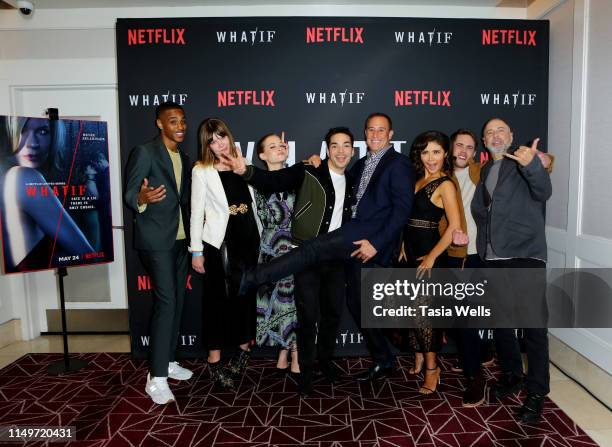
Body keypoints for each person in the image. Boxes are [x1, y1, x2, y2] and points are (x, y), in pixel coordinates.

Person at [233, 113, 415, 383]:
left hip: (367, 238)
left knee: (313, 250)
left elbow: (402, 211)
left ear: (390, 134)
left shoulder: (398, 164)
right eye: (371, 130)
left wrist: (377, 244)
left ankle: (253, 276)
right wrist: (249, 171)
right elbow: (286, 180)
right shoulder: (361, 165)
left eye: (382, 130)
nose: (375, 135)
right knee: (356, 304)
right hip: (351, 245)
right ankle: (382, 358)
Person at [227, 127, 355, 396]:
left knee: (332, 315)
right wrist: (245, 171)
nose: (341, 151)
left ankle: (325, 361)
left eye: (346, 146)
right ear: (327, 150)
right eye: (335, 145)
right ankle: (305, 372)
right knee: (307, 318)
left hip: (337, 258)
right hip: (306, 256)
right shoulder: (309, 171)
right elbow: (274, 181)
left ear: (353, 151)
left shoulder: (353, 179)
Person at [471, 117, 552, 423]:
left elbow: (543, 190)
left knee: (533, 328)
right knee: (501, 324)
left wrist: (533, 164)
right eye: (489, 131)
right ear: (484, 139)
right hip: (493, 259)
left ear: (511, 136)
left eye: (500, 130)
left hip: (524, 256)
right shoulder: (486, 171)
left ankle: (536, 393)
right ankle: (512, 375)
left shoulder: (523, 162)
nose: (494, 135)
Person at [124, 101, 193, 405]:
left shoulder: (184, 157)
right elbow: (130, 194)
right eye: (173, 121)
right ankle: (156, 378)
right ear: (160, 124)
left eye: (182, 121)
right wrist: (140, 197)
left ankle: (167, 361)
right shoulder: (145, 152)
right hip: (156, 242)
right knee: (166, 304)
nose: (180, 126)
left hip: (180, 240)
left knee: (176, 303)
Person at [190, 117, 262, 391]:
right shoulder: (202, 170)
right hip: (219, 243)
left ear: (229, 137)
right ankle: (214, 360)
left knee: (244, 297)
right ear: (206, 145)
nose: (219, 143)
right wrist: (196, 251)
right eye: (212, 140)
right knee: (216, 302)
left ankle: (243, 352)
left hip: (248, 240)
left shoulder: (242, 164)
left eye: (222, 137)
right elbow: (196, 213)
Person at [393, 131, 464, 394]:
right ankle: (420, 354)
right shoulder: (417, 179)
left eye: (436, 152)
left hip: (428, 255)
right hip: (407, 252)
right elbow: (406, 217)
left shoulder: (445, 184)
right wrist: (401, 243)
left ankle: (433, 369)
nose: (430, 158)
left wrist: (433, 256)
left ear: (445, 154)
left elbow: (454, 225)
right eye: (425, 152)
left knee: (425, 316)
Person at [0, 116, 94, 273]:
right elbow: (89, 255)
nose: (32, 143)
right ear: (10, 132)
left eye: (43, 131)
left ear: (55, 136)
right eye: (22, 131)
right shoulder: (23, 177)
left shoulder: (7, 176)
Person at [252, 132, 300, 375]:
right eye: (272, 146)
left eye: (282, 144)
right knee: (277, 300)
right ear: (262, 155)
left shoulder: (299, 177)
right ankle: (285, 350)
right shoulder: (255, 181)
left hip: (295, 245)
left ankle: (293, 352)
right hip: (271, 247)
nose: (279, 148)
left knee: (293, 300)